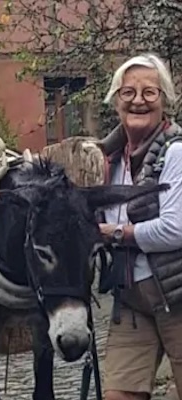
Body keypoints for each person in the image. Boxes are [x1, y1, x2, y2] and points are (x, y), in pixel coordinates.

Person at [97, 53, 182, 400]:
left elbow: (176, 229)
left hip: (177, 296)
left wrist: (119, 234)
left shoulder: (175, 153)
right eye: (128, 92)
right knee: (119, 394)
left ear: (166, 101)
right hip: (132, 301)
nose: (138, 101)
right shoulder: (106, 158)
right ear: (115, 100)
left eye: (150, 92)